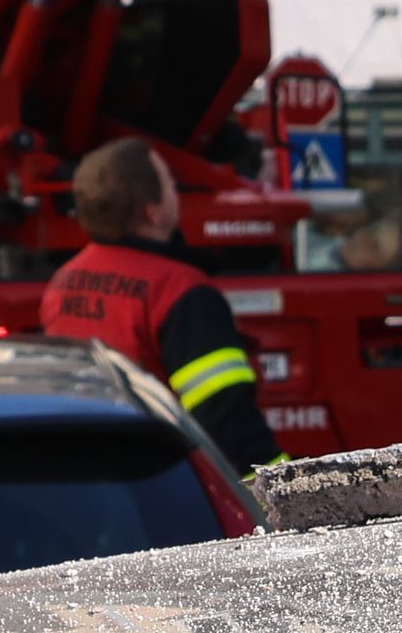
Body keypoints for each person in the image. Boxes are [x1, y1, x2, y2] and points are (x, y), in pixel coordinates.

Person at [40, 138, 284, 472]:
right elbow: (228, 427)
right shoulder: (182, 291)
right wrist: (289, 491)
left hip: (93, 474)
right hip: (163, 477)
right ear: (151, 212)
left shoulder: (64, 280)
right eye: (170, 184)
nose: (176, 193)